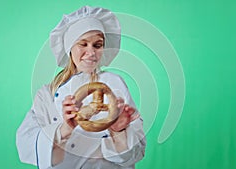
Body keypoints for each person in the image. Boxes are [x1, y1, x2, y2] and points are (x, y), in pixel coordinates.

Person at [16, 6, 146, 169]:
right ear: (70, 47)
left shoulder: (115, 85)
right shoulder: (47, 95)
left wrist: (118, 132)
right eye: (83, 44)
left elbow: (137, 153)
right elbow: (25, 145)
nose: (91, 52)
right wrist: (64, 129)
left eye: (97, 45)